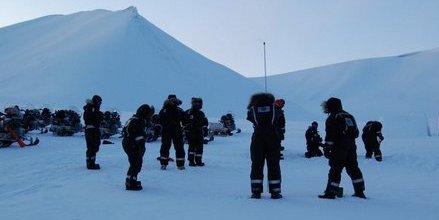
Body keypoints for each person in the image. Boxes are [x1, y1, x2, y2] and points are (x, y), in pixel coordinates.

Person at [319, 97, 366, 199]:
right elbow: (356, 133)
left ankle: (331, 192)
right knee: (353, 168)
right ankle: (360, 191)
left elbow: (330, 135)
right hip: (351, 146)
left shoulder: (333, 117)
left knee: (335, 169)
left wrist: (327, 148)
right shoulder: (349, 116)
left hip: (339, 147)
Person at [247, 93, 283, 199]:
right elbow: (280, 115)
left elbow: (249, 117)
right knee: (274, 164)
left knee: (256, 164)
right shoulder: (275, 108)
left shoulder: (253, 109)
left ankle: (256, 191)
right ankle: (275, 192)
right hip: (273, 138)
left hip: (258, 138)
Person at [122, 104, 155, 191]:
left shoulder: (133, 119)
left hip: (128, 143)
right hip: (132, 144)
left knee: (134, 163)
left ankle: (132, 180)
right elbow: (138, 135)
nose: (150, 116)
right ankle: (130, 183)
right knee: (136, 163)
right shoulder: (138, 121)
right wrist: (140, 146)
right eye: (149, 114)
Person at [158, 94, 188, 170]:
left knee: (179, 147)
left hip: (177, 130)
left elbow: (185, 120)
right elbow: (159, 120)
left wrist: (186, 126)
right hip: (166, 130)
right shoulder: (164, 110)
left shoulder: (179, 110)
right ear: (168, 100)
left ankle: (180, 165)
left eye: (174, 100)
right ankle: (164, 164)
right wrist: (158, 128)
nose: (173, 102)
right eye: (171, 100)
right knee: (165, 147)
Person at [184, 97, 208, 167]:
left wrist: (205, 129)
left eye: (200, 103)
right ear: (193, 103)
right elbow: (184, 121)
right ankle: (191, 161)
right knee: (192, 146)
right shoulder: (188, 112)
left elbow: (204, 122)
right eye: (197, 103)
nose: (198, 104)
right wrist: (187, 127)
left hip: (199, 131)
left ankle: (198, 161)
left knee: (200, 146)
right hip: (190, 132)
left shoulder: (201, 113)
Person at [83, 95, 103, 170]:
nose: (100, 104)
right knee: (93, 146)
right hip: (92, 130)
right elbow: (94, 117)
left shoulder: (90, 108)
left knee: (91, 147)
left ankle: (90, 162)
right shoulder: (92, 108)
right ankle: (91, 164)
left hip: (90, 130)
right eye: (99, 102)